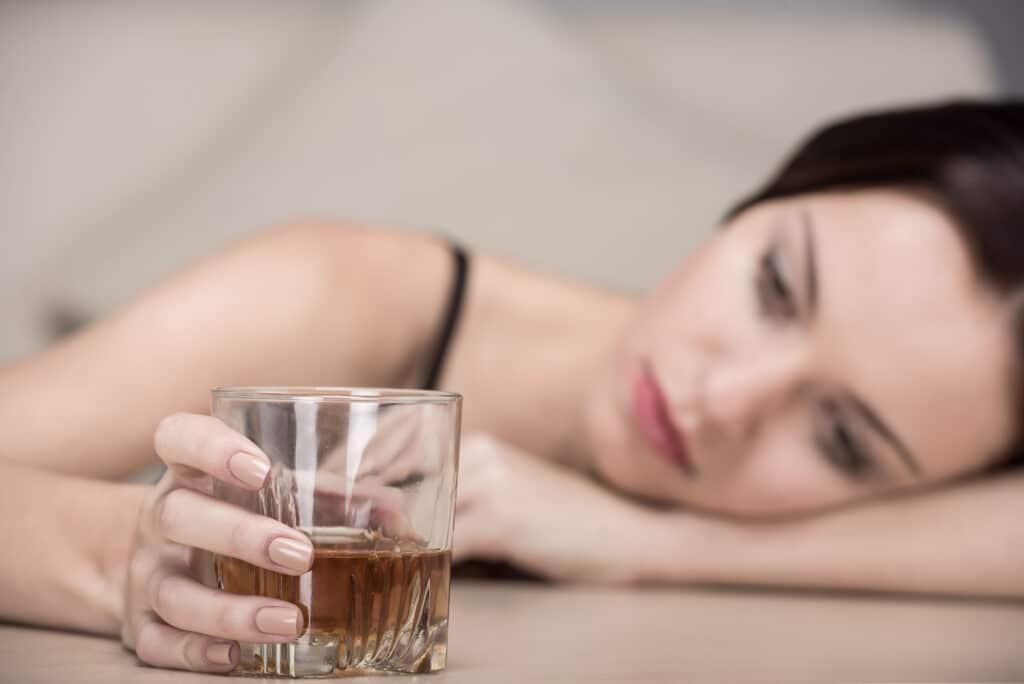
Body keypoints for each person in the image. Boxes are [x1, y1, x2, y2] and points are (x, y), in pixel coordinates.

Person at [1, 100, 1023, 673]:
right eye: (775, 283)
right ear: (770, 190)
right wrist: (122, 558)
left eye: (842, 438)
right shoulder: (352, 296)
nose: (727, 398)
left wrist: (653, 545)